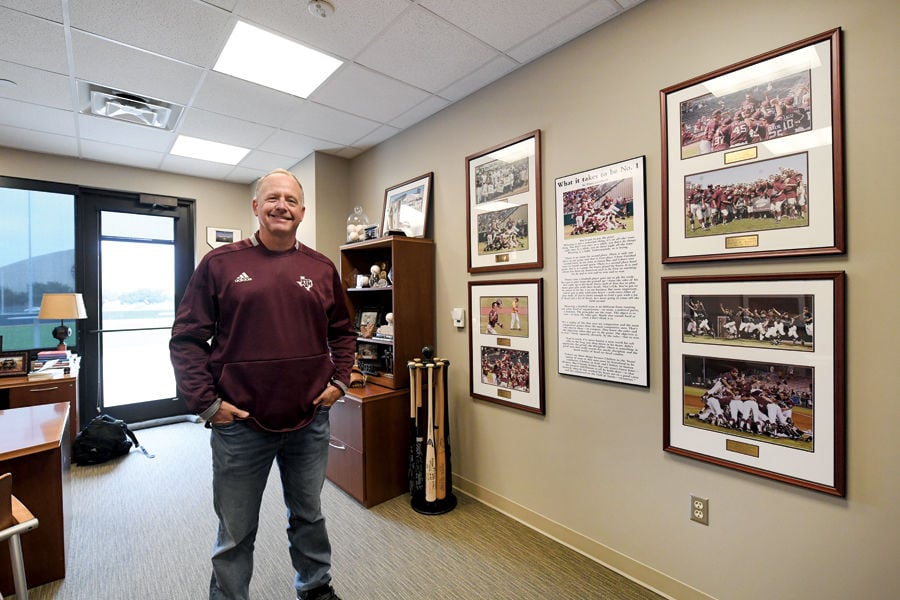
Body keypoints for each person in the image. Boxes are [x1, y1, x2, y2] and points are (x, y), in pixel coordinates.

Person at [169, 168, 355, 600]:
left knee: (309, 515)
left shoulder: (321, 268)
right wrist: (207, 405)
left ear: (302, 212)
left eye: (290, 200)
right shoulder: (220, 264)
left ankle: (315, 588)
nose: (281, 206)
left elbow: (343, 333)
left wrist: (340, 383)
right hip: (240, 425)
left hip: (308, 421)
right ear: (256, 207)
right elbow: (187, 338)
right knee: (236, 529)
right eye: (272, 198)